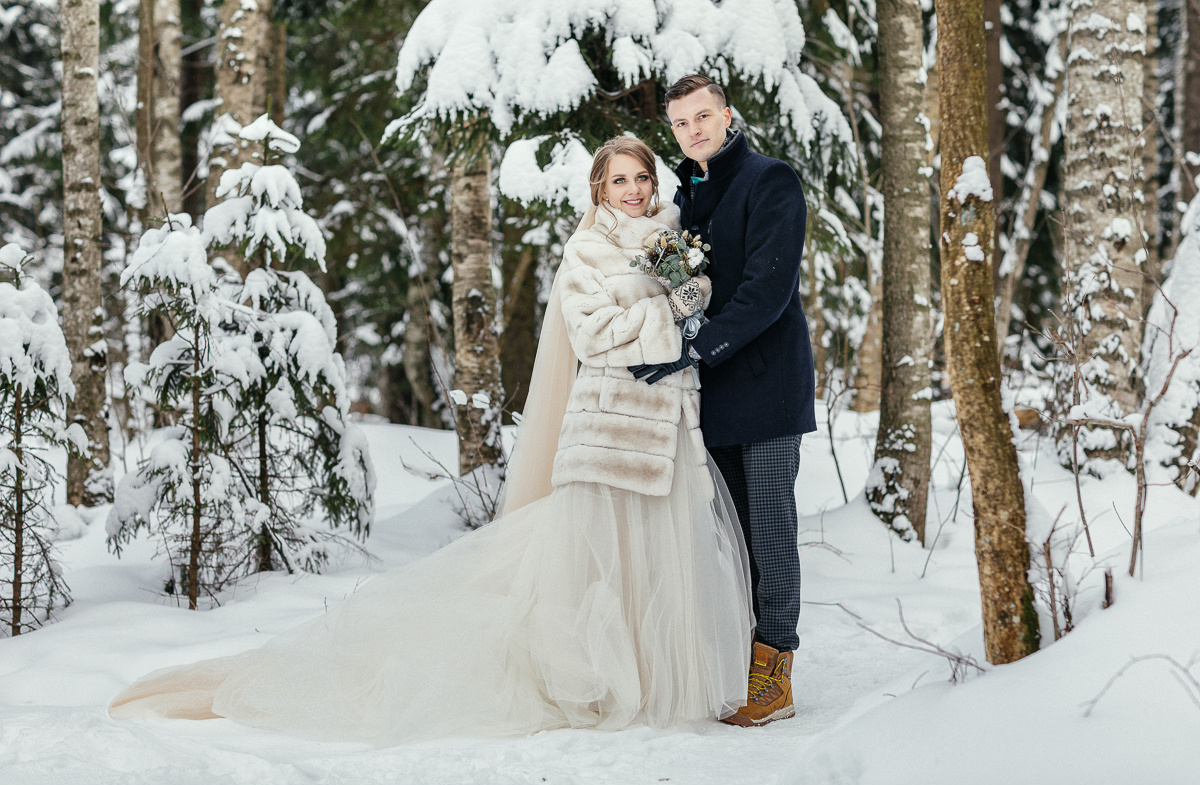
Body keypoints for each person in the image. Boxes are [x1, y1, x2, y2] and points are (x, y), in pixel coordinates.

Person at [108, 136, 755, 744]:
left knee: (657, 560)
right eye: (620, 180)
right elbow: (592, 336)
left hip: (666, 426)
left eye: (641, 177)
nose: (634, 189)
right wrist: (668, 312)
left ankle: (655, 685)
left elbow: (691, 312)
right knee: (602, 565)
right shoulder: (587, 250)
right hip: (609, 428)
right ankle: (600, 682)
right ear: (599, 187)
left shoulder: (672, 239)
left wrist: (690, 294)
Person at [631, 75, 815, 727]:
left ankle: (776, 673)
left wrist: (702, 345)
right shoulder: (687, 197)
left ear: (727, 115)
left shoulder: (771, 180)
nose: (694, 131)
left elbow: (768, 288)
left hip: (766, 383)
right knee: (732, 536)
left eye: (703, 117)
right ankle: (742, 656)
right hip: (713, 393)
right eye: (681, 124)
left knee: (769, 526)